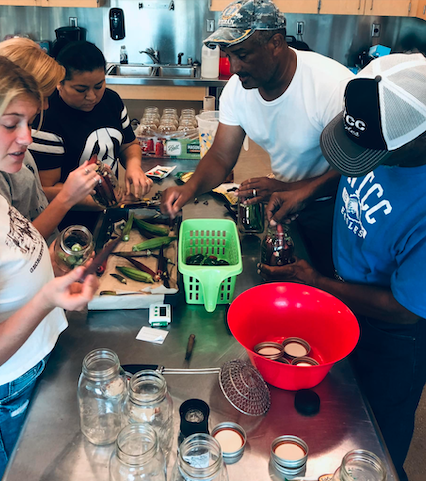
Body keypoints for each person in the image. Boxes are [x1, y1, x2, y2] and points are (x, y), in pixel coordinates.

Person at [259, 53, 426, 481]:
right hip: (341, 294)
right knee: (332, 420)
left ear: (414, 144)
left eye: (371, 154)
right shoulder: (386, 78)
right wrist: (302, 190)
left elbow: (405, 308)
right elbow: (353, 165)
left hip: (391, 336)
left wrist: (314, 282)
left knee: (373, 449)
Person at [0, 51, 98, 481]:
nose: (27, 137)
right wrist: (44, 299)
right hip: (0, 400)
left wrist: (47, 268)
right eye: (10, 124)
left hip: (31, 370)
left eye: (30, 122)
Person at [160, 0, 354, 277]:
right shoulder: (238, 91)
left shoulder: (331, 87)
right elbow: (221, 156)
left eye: (242, 54)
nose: (234, 66)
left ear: (275, 43)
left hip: (335, 209)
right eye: (229, 55)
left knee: (328, 282)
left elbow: (359, 167)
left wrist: (296, 190)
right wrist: (189, 190)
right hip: (285, 204)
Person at [30, 40, 151, 231]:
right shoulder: (47, 118)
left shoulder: (112, 101)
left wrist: (134, 168)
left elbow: (129, 145)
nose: (92, 96)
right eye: (81, 90)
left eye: (98, 85)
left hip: (109, 215)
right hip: (69, 226)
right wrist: (100, 200)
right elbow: (45, 191)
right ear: (59, 83)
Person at [0, 37, 102, 242]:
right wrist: (66, 197)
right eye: (42, 97)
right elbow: (18, 249)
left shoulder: (18, 148)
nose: (46, 106)